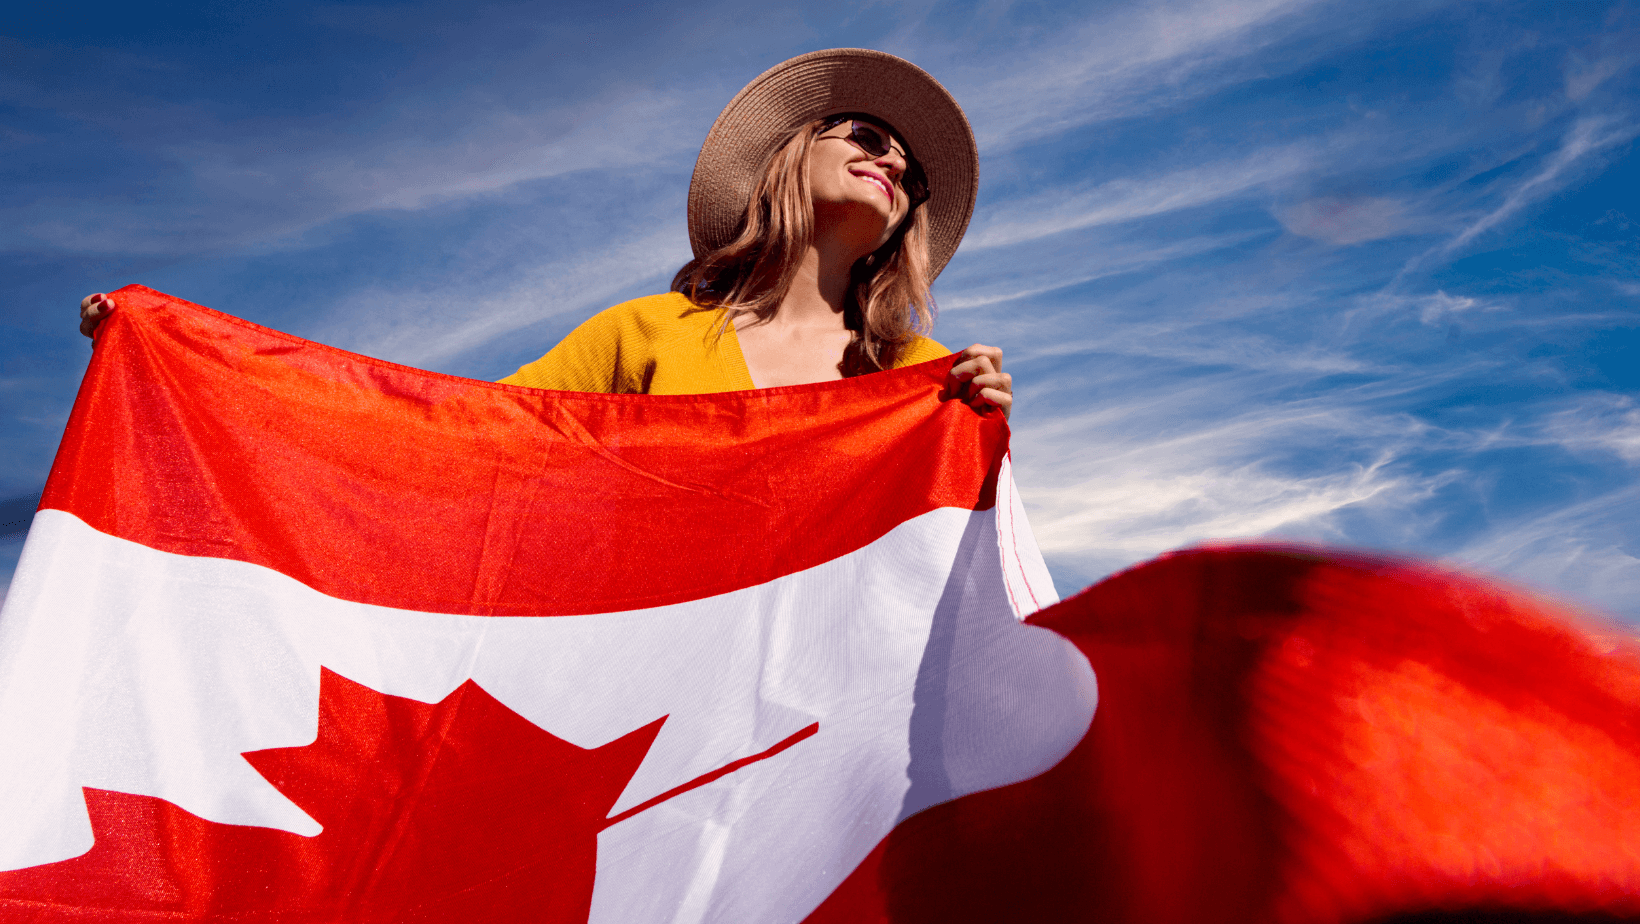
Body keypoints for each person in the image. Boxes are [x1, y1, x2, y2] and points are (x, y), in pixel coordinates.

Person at [81, 49, 1012, 415]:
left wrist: (980, 437)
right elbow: (461, 431)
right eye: (869, 137)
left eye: (911, 173)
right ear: (788, 158)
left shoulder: (918, 374)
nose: (892, 163)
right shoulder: (647, 336)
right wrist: (189, 360)